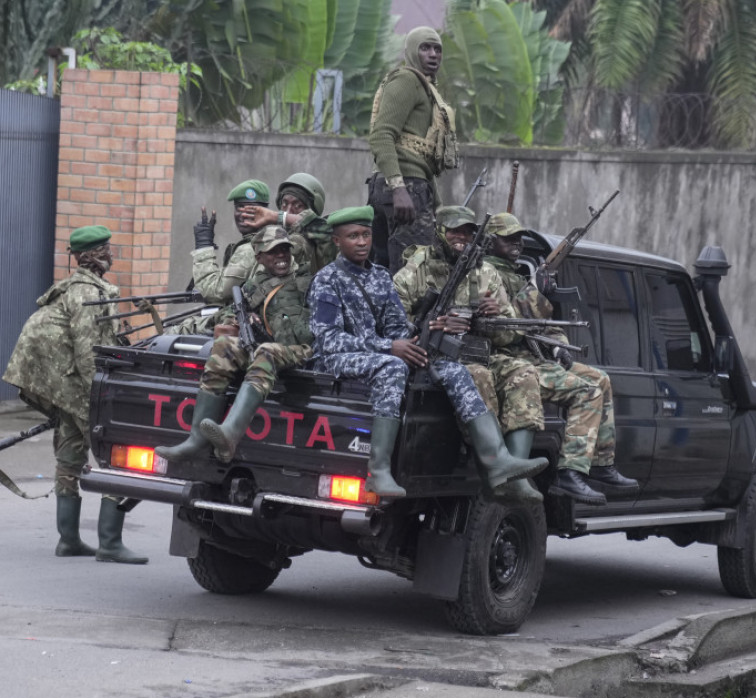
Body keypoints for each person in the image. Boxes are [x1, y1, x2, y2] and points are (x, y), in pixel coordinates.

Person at [307, 206, 546, 498]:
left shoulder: (381, 277)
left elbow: (397, 326)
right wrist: (389, 347)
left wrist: (419, 339)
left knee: (451, 367)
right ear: (336, 241)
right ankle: (378, 470)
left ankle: (496, 460)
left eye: (366, 235)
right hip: (334, 358)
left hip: (379, 354)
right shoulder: (327, 279)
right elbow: (327, 338)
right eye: (353, 236)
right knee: (393, 367)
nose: (361, 242)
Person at [3, 225, 148, 564]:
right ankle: (110, 543)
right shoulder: (86, 293)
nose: (111, 254)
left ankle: (69, 541)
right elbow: (88, 352)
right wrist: (99, 397)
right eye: (105, 249)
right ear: (89, 256)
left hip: (65, 387)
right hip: (80, 387)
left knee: (70, 456)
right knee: (116, 455)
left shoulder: (79, 288)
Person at [484, 213, 640, 502]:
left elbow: (546, 325)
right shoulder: (485, 274)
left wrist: (559, 347)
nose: (516, 243)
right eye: (508, 238)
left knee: (600, 379)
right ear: (490, 242)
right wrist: (537, 293)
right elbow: (506, 326)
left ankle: (602, 464)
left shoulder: (516, 274)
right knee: (587, 392)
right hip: (506, 359)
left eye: (518, 238)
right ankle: (570, 474)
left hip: (533, 356)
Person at [156, 227, 314, 463]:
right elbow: (227, 312)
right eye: (273, 252)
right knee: (224, 347)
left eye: (285, 250)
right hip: (267, 346)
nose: (281, 256)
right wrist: (237, 320)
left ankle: (230, 433)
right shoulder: (255, 285)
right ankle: (196, 439)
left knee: (266, 352)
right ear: (259, 257)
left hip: (300, 349)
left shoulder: (305, 278)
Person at [367, 26, 459, 273]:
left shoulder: (425, 88)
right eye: (425, 48)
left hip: (412, 186)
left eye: (437, 49)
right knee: (413, 273)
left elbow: (421, 157)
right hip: (402, 187)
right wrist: (398, 188)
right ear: (410, 51)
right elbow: (381, 135)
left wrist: (433, 200)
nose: (433, 55)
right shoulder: (407, 80)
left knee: (388, 272)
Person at [240, 172, 336, 273]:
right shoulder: (270, 237)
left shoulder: (321, 239)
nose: (288, 211)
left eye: (298, 206)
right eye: (284, 204)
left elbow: (325, 230)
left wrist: (279, 217)